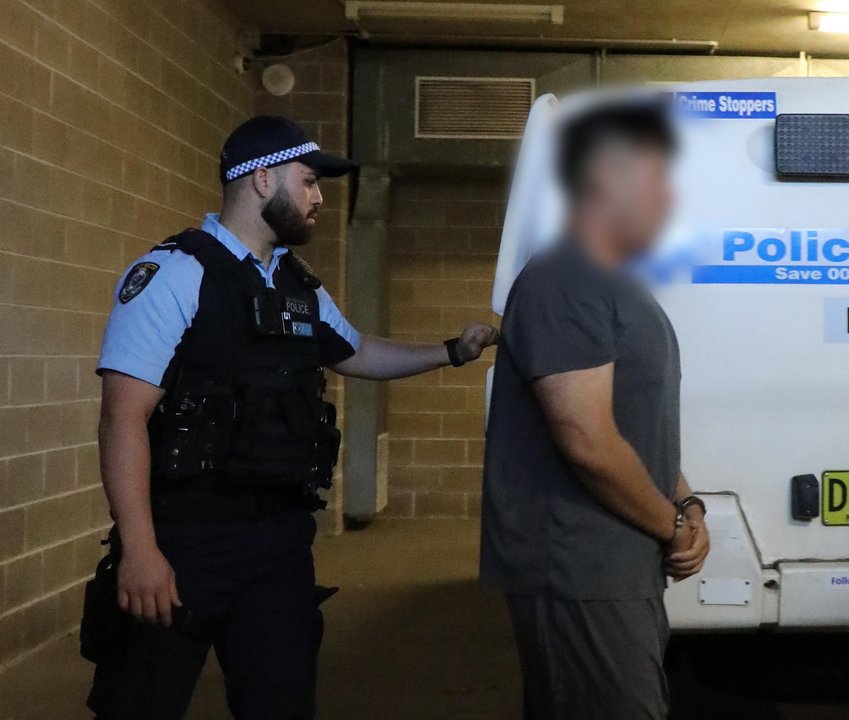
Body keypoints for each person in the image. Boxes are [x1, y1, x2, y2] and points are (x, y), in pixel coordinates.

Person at [85, 115, 498, 720]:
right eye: (309, 181)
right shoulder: (173, 275)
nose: (319, 197)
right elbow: (122, 419)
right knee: (143, 704)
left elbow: (354, 351)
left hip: (278, 542)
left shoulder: (297, 286)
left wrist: (451, 352)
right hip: (183, 539)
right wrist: (141, 550)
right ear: (262, 180)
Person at [480, 99, 710, 720]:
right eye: (656, 180)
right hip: (578, 570)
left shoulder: (616, 284)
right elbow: (586, 438)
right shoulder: (565, 279)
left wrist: (687, 503)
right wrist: (670, 525)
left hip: (620, 567)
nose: (668, 198)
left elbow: (632, 427)